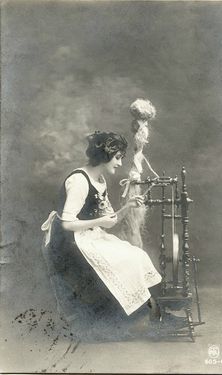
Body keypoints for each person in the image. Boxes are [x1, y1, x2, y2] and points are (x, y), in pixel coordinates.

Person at [41, 131, 162, 339]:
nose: (120, 162)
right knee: (125, 259)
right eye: (117, 157)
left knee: (136, 255)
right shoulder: (79, 180)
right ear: (105, 156)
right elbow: (67, 223)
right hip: (69, 242)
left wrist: (128, 206)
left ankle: (148, 308)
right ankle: (142, 311)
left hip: (89, 235)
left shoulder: (100, 180)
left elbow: (111, 219)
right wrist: (99, 223)